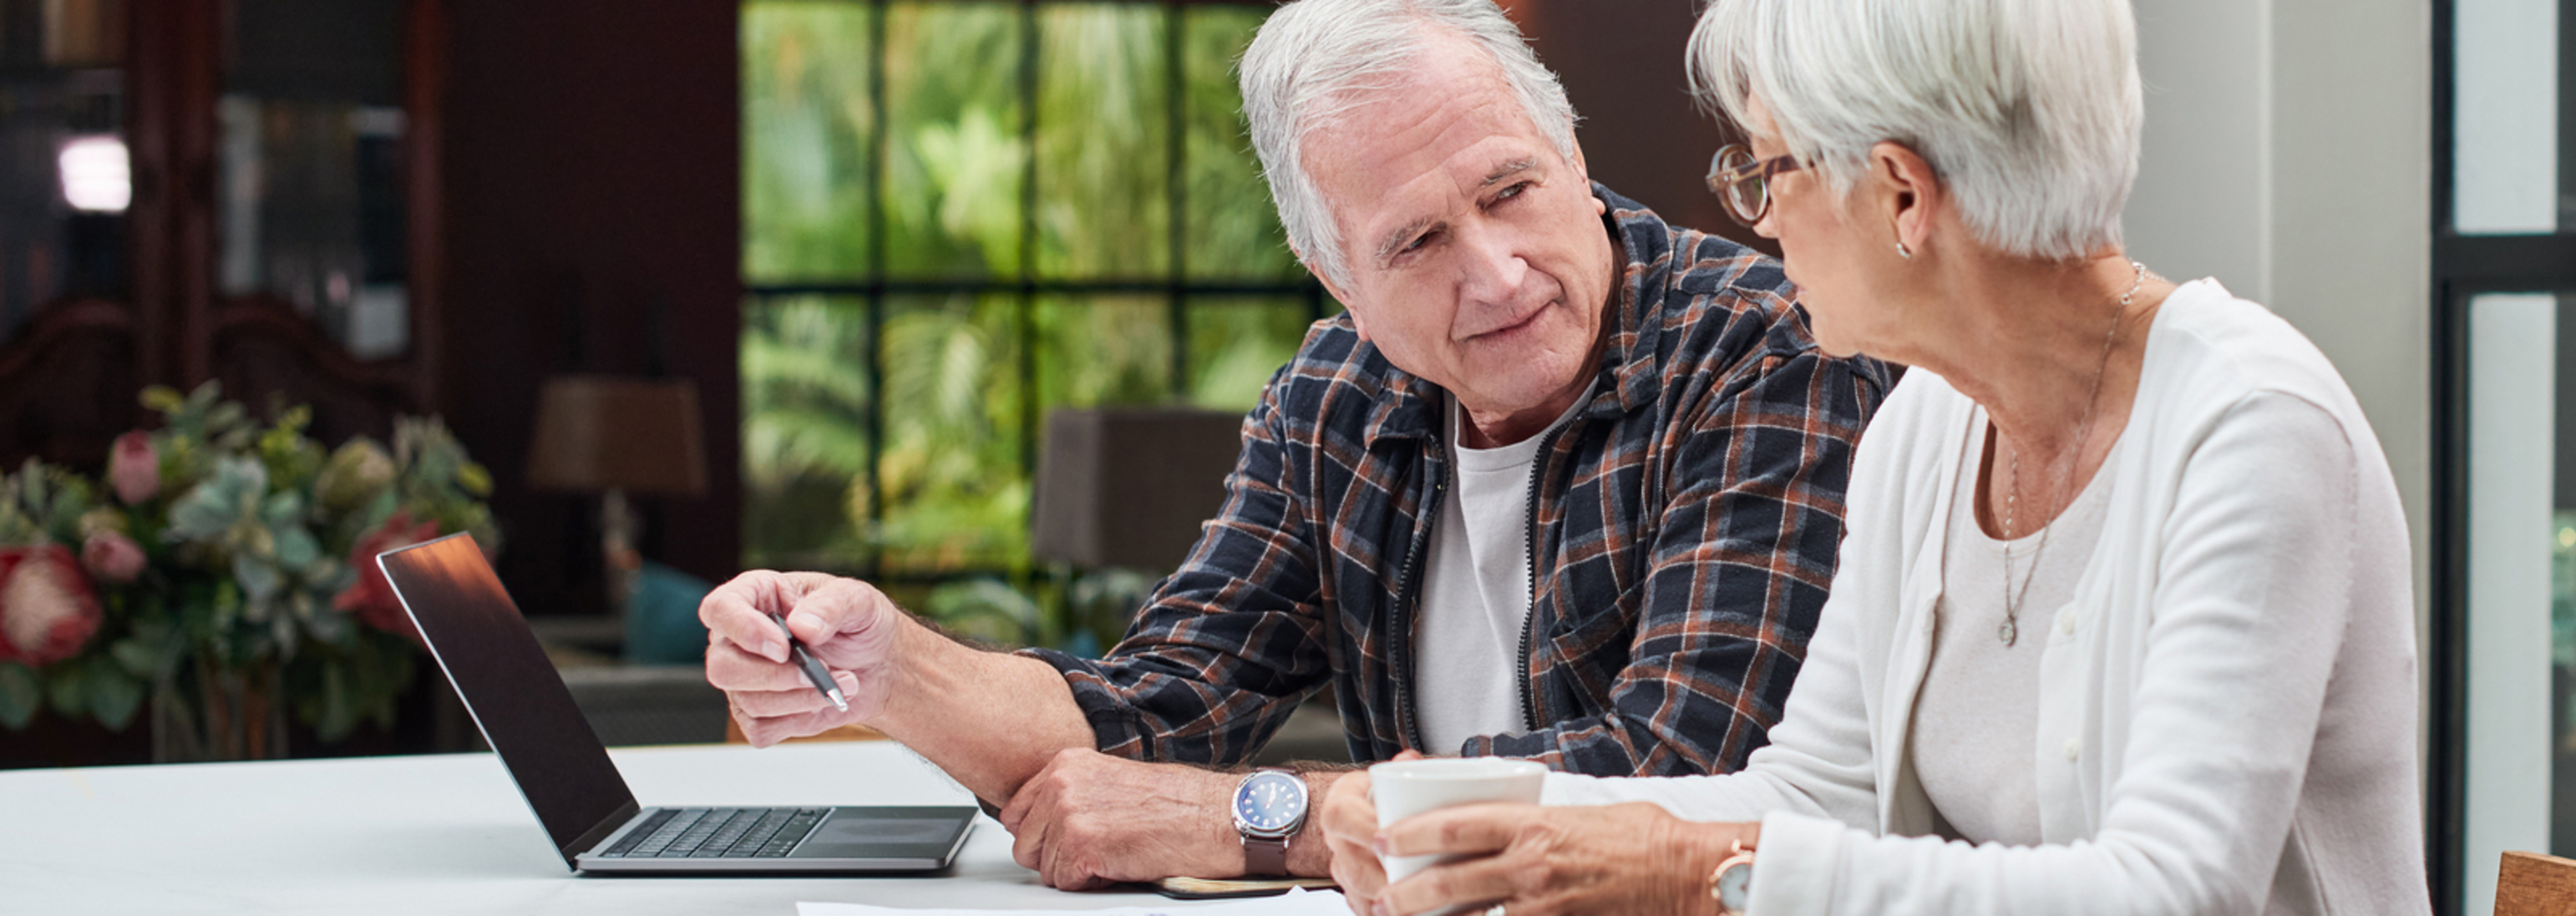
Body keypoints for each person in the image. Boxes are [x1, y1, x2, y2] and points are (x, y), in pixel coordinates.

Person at [697, 0, 1890, 892]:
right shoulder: (1338, 393)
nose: (1494, 271)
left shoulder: (1769, 351)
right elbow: (1151, 715)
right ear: (1340, 281)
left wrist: (1252, 821)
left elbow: (1675, 776)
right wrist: (891, 665)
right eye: (1416, 241)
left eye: (1513, 189)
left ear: (1573, 158)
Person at [1316, 0, 2424, 913]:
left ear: (1901, 193)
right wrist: (1498, 821)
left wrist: (1704, 873)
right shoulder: (1928, 425)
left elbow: (2174, 891)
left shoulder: (2252, 427)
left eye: (1767, 172)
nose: (1756, 222)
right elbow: (1821, 787)